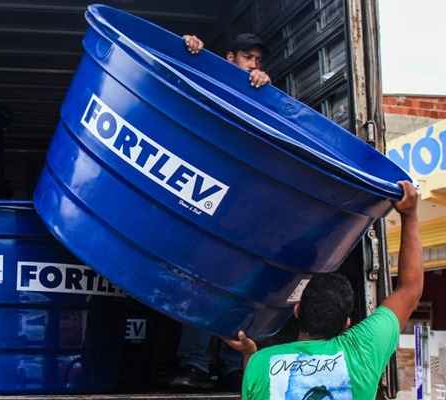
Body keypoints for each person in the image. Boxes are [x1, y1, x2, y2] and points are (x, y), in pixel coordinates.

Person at [224, 181, 422, 399]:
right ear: (348, 324)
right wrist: (410, 215)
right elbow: (410, 290)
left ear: (297, 310)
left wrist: (250, 354)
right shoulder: (363, 352)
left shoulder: (261, 364)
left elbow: (257, 383)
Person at [168, 32, 273, 392]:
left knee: (237, 288)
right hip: (205, 198)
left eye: (259, 59)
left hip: (243, 209)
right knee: (199, 282)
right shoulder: (210, 72)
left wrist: (263, 89)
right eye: (248, 57)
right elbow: (181, 78)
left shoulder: (261, 93)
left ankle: (232, 366)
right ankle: (195, 365)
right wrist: (192, 48)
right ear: (229, 58)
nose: (254, 65)